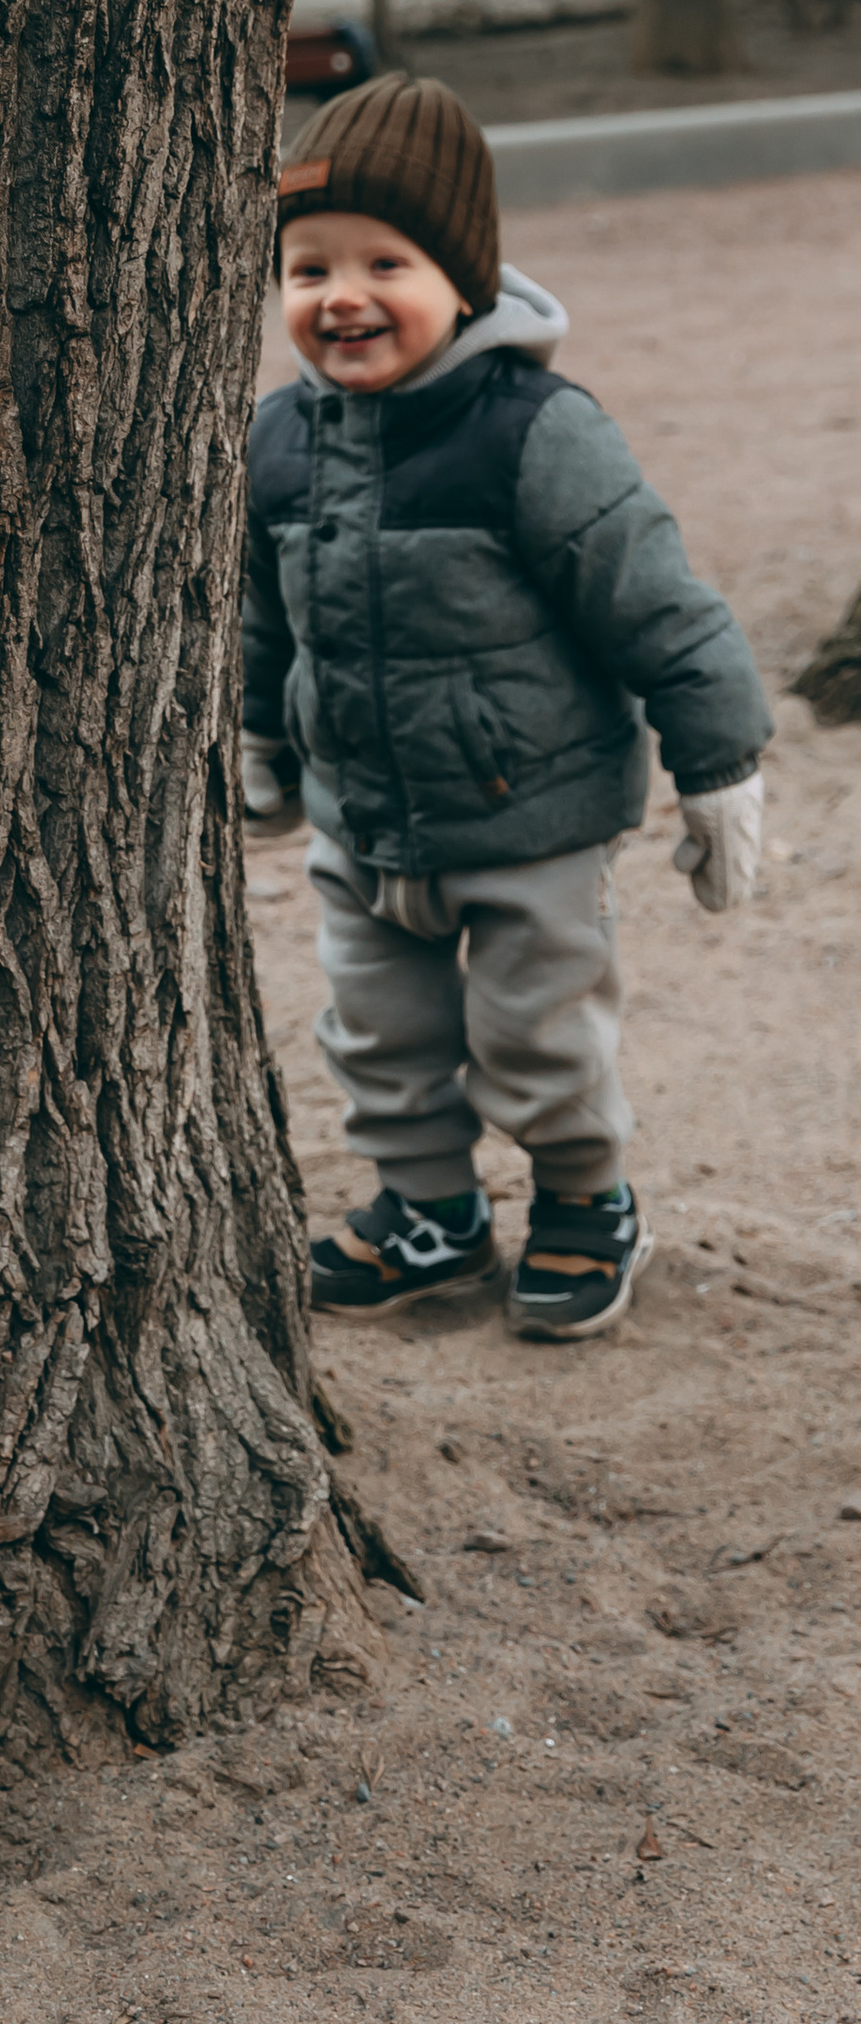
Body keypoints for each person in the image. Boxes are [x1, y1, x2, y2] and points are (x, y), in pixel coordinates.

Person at [242, 73, 769, 1342]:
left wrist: (719, 762)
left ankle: (586, 1200)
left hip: (529, 818)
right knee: (378, 1033)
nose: (342, 295)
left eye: (385, 261)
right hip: (362, 817)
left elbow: (655, 600)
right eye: (308, 269)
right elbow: (264, 613)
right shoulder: (280, 440)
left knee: (537, 1033)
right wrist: (262, 735)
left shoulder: (531, 433)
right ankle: (430, 1208)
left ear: (465, 280)